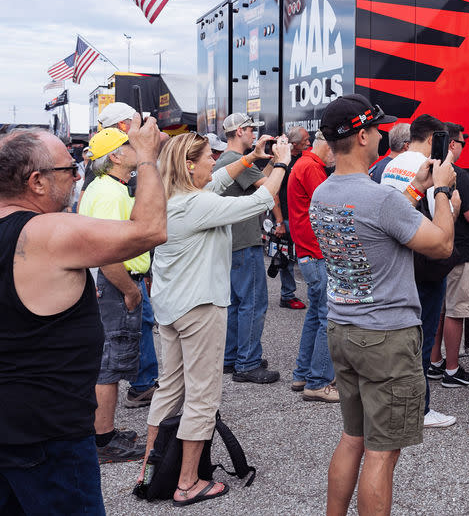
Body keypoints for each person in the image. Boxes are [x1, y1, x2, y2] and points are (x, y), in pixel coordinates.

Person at [0, 118, 166, 514]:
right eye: (69, 169)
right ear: (37, 181)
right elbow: (151, 230)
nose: (77, 176)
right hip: (46, 432)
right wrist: (146, 156)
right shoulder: (45, 232)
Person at [313, 94, 457, 516]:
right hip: (386, 337)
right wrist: (444, 192)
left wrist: (417, 190)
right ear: (361, 136)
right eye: (375, 129)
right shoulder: (380, 199)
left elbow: (377, 225)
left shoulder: (324, 193)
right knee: (382, 452)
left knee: (352, 438)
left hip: (344, 327)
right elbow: (442, 243)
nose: (380, 135)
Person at [138, 131, 291, 506]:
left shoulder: (173, 198)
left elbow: (222, 179)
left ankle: (149, 470)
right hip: (200, 306)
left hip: (173, 307)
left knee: (170, 387)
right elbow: (259, 199)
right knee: (203, 397)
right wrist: (281, 162)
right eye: (209, 156)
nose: (215, 161)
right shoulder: (196, 205)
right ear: (189, 166)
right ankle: (187, 483)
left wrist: (252, 157)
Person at [78, 129, 154, 461]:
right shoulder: (110, 192)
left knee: (109, 358)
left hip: (113, 282)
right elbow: (108, 252)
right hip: (116, 284)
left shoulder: (107, 187)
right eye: (129, 145)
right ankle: (103, 440)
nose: (135, 149)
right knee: (110, 363)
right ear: (115, 156)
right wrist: (130, 290)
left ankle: (102, 432)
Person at [380, 114, 459, 428]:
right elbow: (441, 218)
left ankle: (400, 400)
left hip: (398, 261)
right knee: (422, 340)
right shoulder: (427, 167)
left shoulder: (392, 165)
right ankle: (421, 409)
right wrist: (450, 195)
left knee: (403, 339)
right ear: (433, 138)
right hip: (424, 262)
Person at [214, 113, 281, 384]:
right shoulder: (233, 160)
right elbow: (267, 191)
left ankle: (232, 358)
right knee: (253, 301)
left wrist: (270, 162)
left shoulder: (229, 161)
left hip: (231, 241)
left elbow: (257, 185)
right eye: (251, 130)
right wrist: (281, 164)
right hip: (243, 240)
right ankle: (248, 362)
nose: (254, 134)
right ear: (239, 131)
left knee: (235, 303)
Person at [427, 122, 469, 388]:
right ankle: (452, 371)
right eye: (462, 143)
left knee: (442, 311)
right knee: (456, 312)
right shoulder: (458, 174)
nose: (464, 148)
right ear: (452, 145)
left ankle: (434, 363)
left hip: (439, 251)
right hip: (462, 253)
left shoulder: (429, 170)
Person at [287, 130, 339, 402]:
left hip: (309, 253)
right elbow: (328, 207)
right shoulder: (311, 167)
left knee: (315, 315)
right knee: (326, 318)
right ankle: (317, 381)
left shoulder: (305, 164)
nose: (337, 157)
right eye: (335, 150)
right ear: (326, 146)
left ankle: (303, 374)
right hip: (316, 253)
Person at [277, 126, 311, 310]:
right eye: (306, 140)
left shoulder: (304, 158)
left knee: (307, 257)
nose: (309, 142)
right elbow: (273, 192)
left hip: (303, 217)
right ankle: (287, 296)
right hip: (288, 218)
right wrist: (280, 222)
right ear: (295, 144)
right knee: (287, 259)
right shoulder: (283, 160)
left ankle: (314, 294)